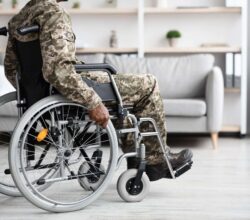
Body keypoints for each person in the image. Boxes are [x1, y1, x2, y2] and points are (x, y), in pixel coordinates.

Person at [4, 0, 193, 181]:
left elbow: (12, 70)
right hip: (71, 89)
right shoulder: (53, 13)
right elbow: (59, 71)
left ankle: (138, 158)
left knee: (121, 94)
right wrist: (92, 101)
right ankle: (156, 161)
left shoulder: (19, 19)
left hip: (48, 92)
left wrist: (35, 92)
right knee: (148, 84)